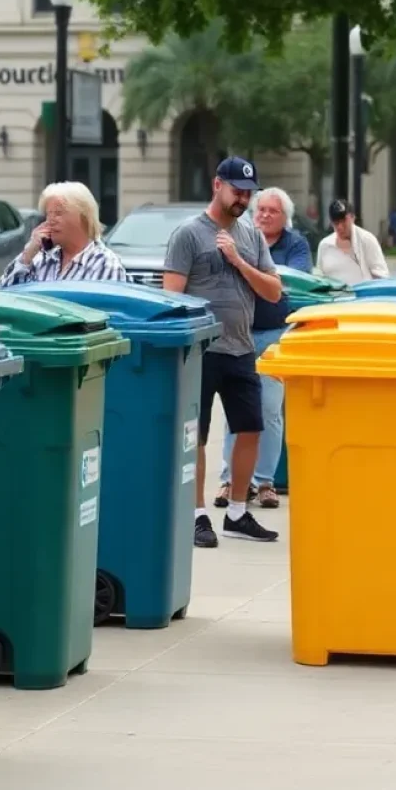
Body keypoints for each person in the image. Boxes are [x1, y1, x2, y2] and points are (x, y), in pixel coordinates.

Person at [163, 157, 283, 548]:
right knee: (197, 435)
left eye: (249, 193)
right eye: (237, 191)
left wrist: (237, 259)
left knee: (251, 428)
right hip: (202, 351)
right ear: (217, 185)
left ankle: (236, 512)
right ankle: (198, 515)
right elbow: (171, 297)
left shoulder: (251, 237)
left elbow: (273, 291)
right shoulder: (188, 235)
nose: (243, 199)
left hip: (241, 347)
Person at [215, 187, 311, 510]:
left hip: (274, 333)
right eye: (261, 210)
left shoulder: (295, 244)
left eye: (273, 211)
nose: (265, 215)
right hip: (238, 333)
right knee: (235, 408)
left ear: (285, 218)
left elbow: (286, 280)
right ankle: (231, 479)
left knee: (269, 409)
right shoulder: (238, 235)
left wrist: (246, 269)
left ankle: (265, 481)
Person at [0, 180, 126, 286]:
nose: (50, 221)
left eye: (58, 213)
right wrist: (27, 256)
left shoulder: (105, 264)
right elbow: (5, 295)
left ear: (83, 218)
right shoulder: (40, 259)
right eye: (48, 214)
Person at [316, 199, 390, 284]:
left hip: (361, 295)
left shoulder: (366, 240)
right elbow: (319, 277)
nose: (340, 227)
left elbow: (381, 275)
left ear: (353, 218)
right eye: (336, 223)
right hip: (333, 295)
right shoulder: (324, 245)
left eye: (344, 221)